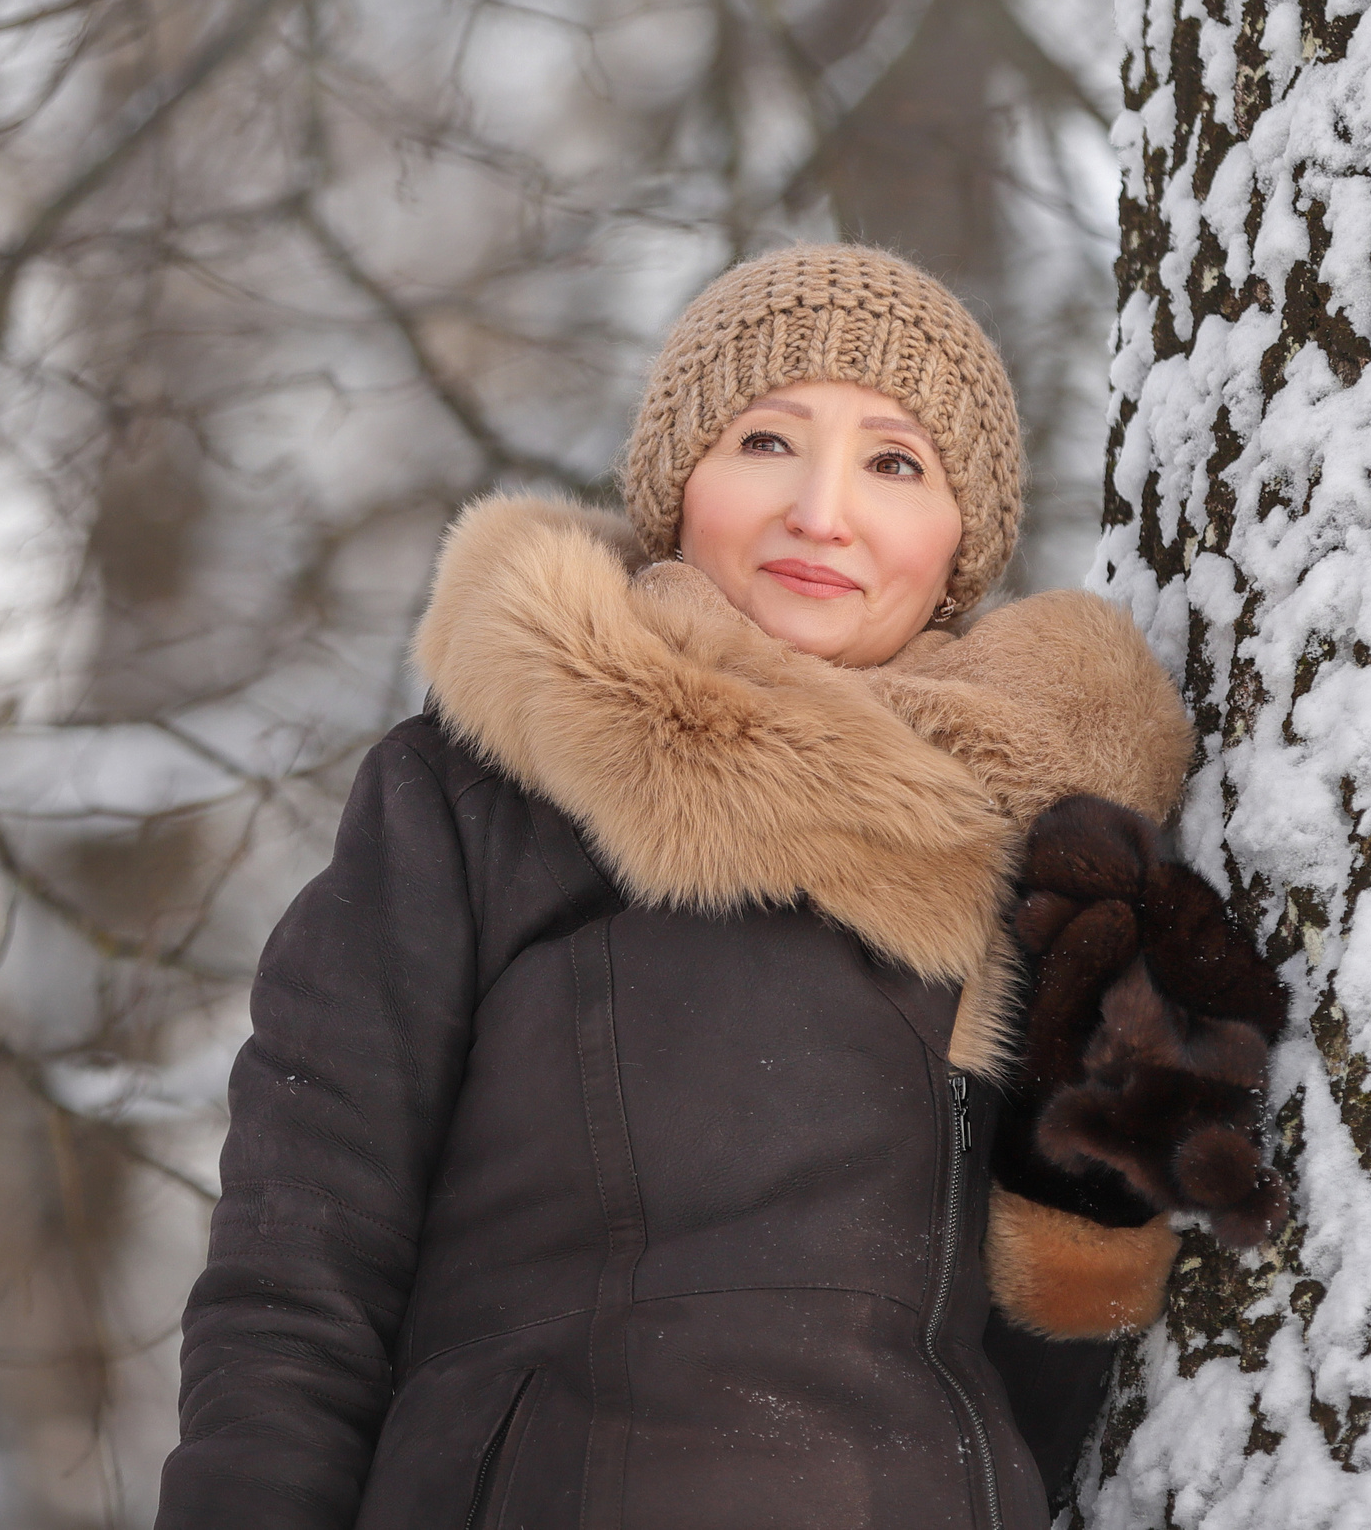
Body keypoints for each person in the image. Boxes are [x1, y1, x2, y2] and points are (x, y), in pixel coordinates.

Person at [156, 245, 1288, 1529]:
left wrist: (1092, 1184)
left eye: (895, 463)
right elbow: (296, 1272)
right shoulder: (483, 796)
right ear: (676, 480)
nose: (821, 510)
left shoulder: (1057, 875)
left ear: (960, 540)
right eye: (766, 440)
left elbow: (1042, 1395)